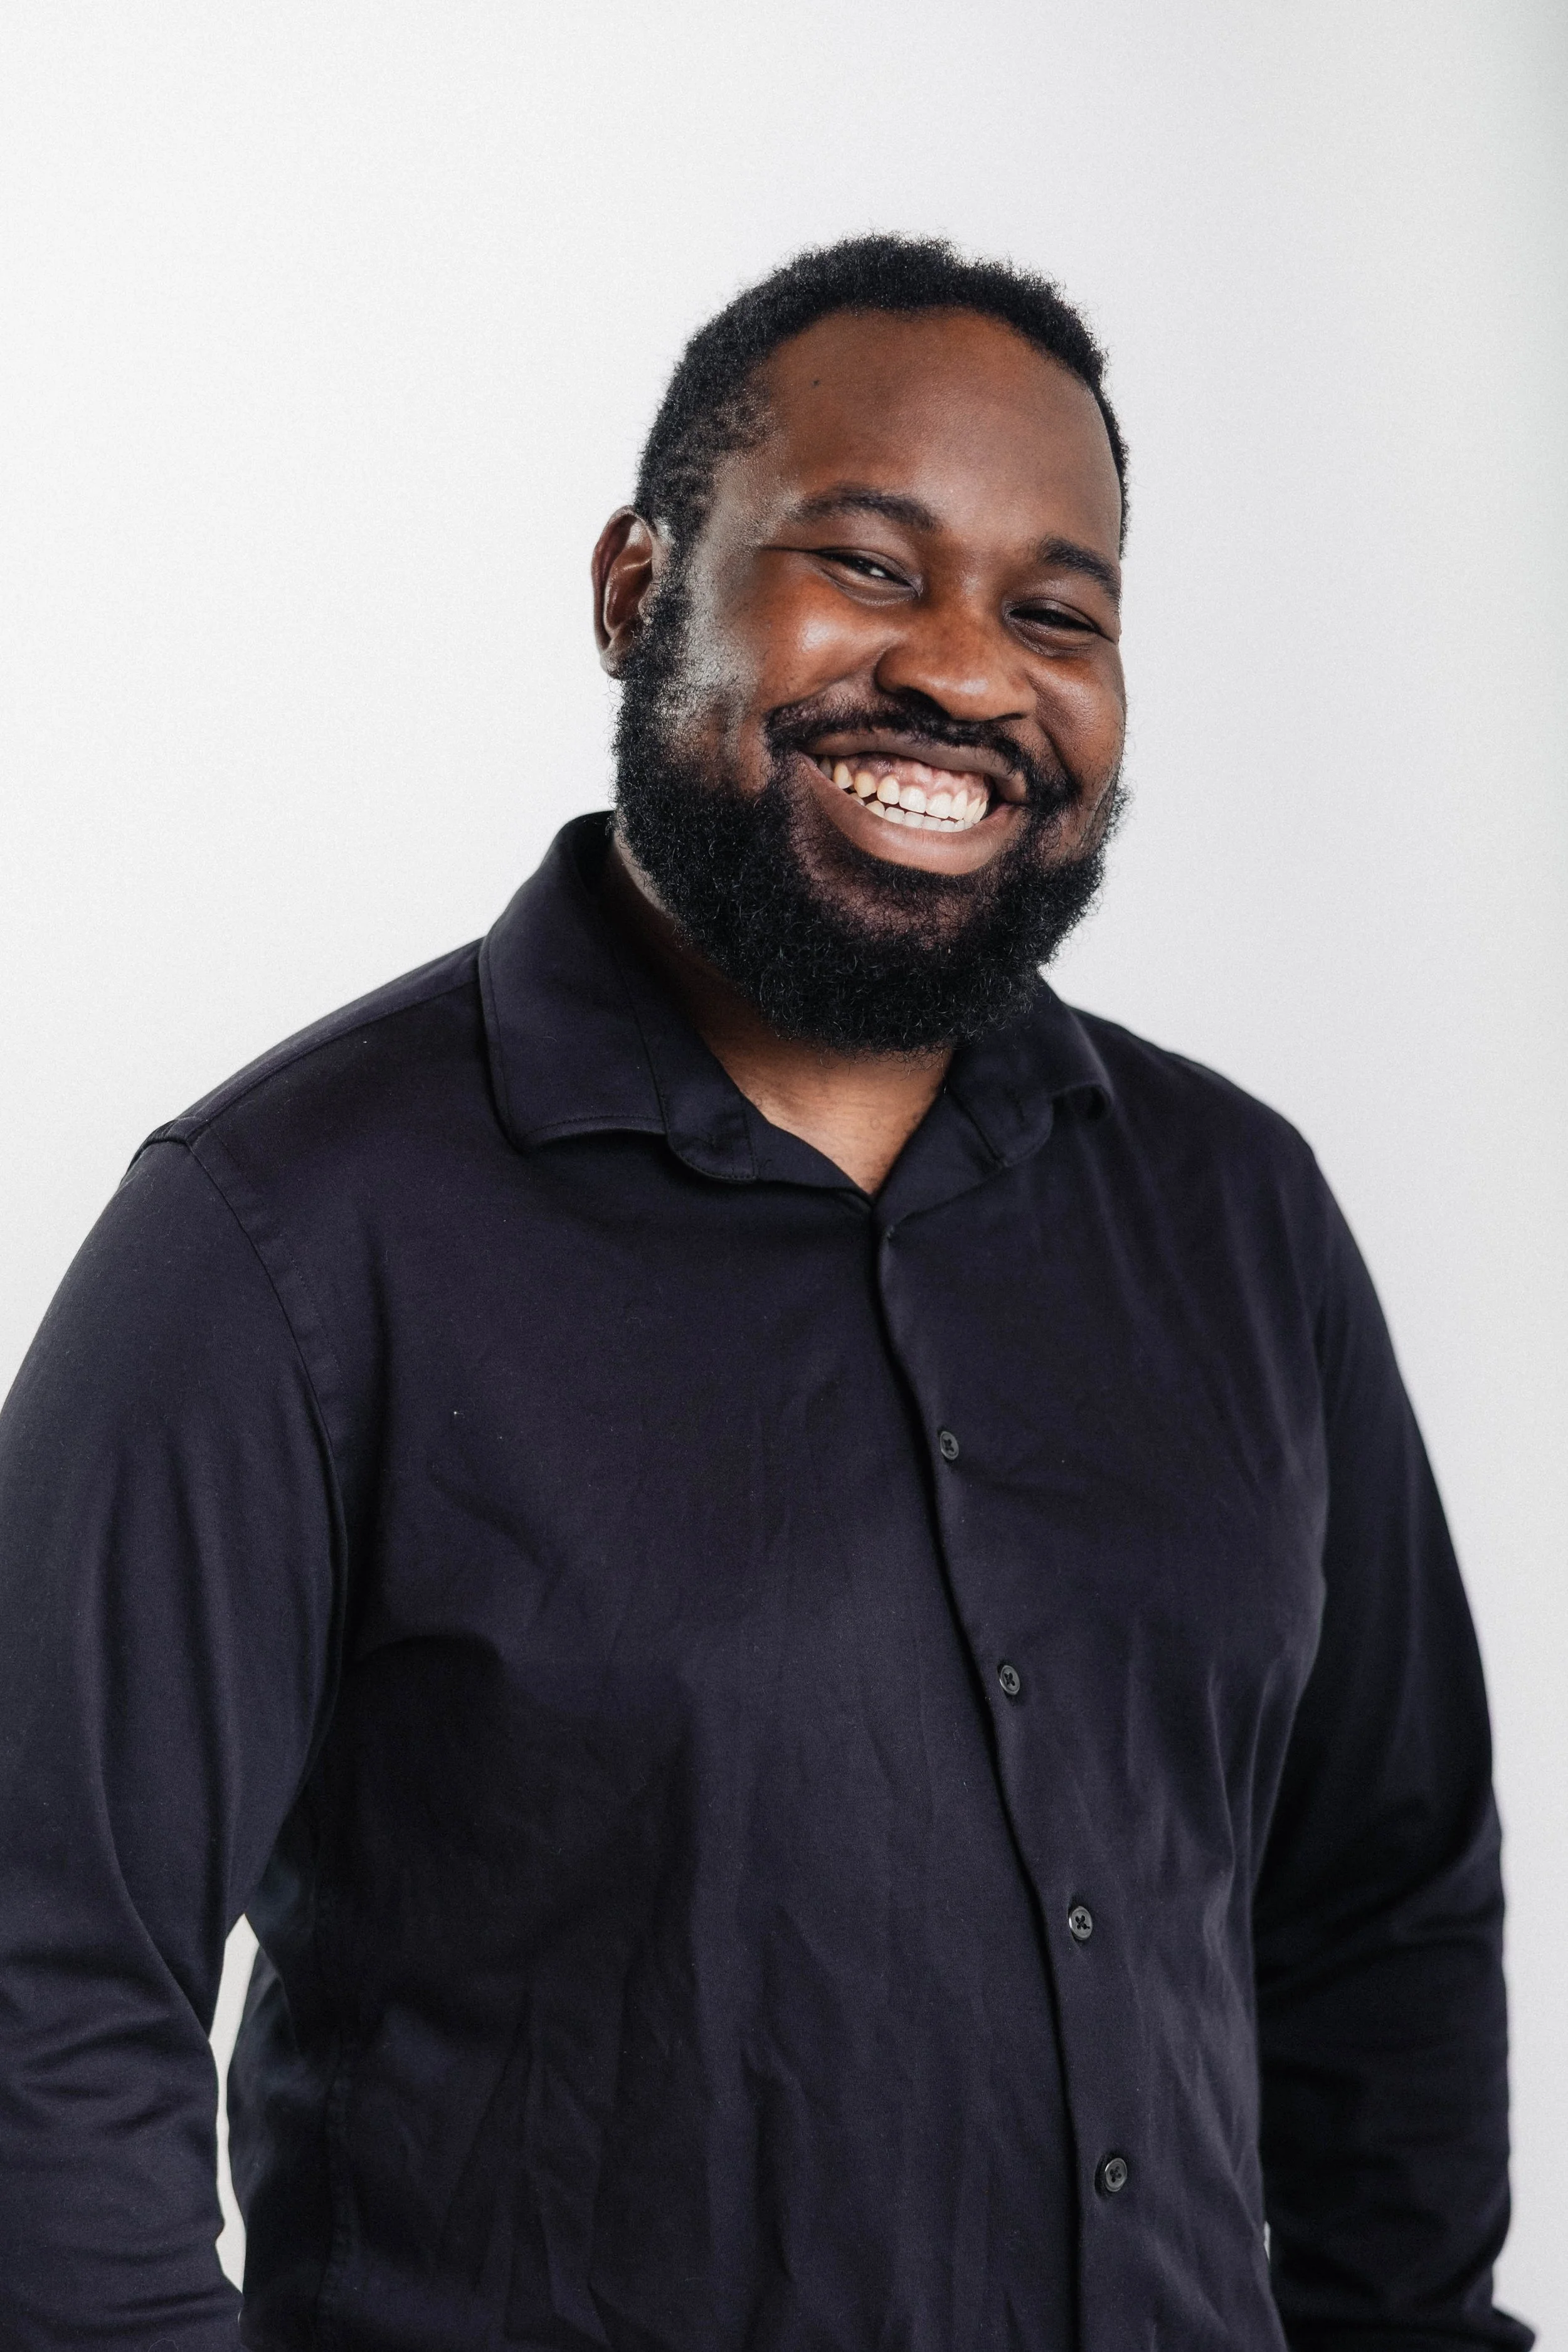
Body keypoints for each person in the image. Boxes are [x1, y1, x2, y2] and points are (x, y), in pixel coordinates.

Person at [0, 235, 1530, 2351]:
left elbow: (1382, 1907)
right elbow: (46, 1981)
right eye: (872, 567)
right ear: (638, 589)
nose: (969, 677)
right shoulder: (282, 1229)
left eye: (1056, 613)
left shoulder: (1238, 1211)